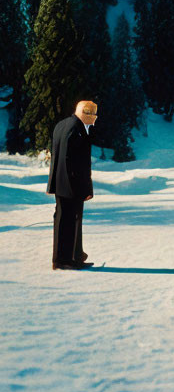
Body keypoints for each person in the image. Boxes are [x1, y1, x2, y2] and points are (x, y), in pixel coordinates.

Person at [47, 100, 98, 270]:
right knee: (69, 220)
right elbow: (76, 162)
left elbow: (57, 156)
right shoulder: (77, 130)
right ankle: (64, 260)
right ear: (86, 114)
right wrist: (84, 188)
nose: (94, 119)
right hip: (72, 184)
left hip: (61, 182)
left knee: (65, 219)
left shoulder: (62, 125)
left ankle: (74, 256)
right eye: (93, 115)